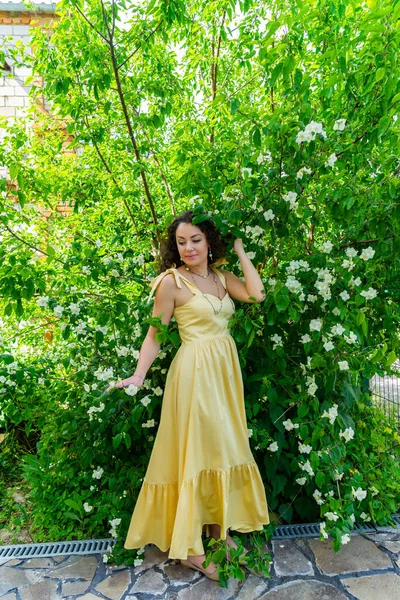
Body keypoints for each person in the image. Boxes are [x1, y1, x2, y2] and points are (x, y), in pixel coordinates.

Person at [115, 210, 270, 581]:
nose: (188, 248)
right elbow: (154, 335)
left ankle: (220, 533)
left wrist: (240, 250)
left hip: (224, 375)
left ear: (208, 241)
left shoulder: (220, 276)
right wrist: (139, 375)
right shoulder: (171, 283)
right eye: (181, 242)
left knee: (224, 447)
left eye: (195, 240)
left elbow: (257, 294)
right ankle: (193, 551)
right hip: (194, 376)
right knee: (198, 452)